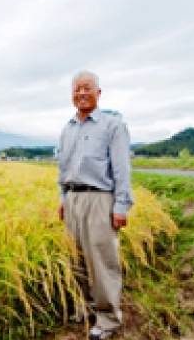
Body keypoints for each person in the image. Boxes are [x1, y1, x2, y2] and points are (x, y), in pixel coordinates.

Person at [57, 71, 134, 340]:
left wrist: (121, 206)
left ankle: (108, 319)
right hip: (73, 199)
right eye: (76, 89)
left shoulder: (112, 125)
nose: (81, 93)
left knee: (102, 260)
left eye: (87, 88)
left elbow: (122, 169)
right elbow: (62, 169)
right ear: (71, 95)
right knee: (75, 259)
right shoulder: (67, 129)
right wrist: (63, 200)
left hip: (100, 199)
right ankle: (85, 307)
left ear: (98, 93)